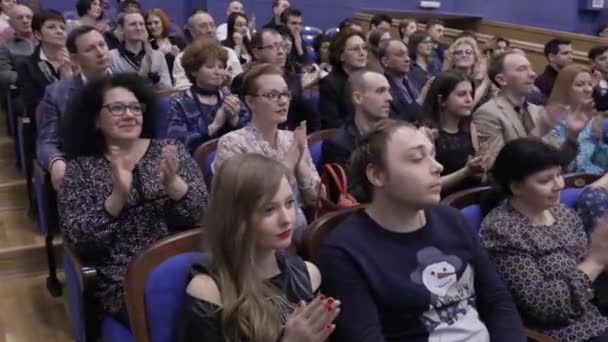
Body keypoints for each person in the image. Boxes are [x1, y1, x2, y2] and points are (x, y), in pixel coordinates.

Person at [319, 118, 526, 341]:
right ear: (377, 175)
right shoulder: (344, 250)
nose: (437, 167)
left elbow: (497, 301)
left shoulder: (453, 220)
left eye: (432, 154)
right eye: (417, 159)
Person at [58, 73, 208, 327]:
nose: (129, 114)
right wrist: (117, 198)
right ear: (95, 119)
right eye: (117, 108)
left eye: (135, 107)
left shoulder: (170, 150)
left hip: (188, 262)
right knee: (187, 319)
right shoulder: (81, 169)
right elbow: (80, 241)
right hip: (125, 278)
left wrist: (175, 187)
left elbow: (204, 215)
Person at [175, 153, 339, 341]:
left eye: (289, 203)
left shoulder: (308, 276)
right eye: (269, 210)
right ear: (237, 219)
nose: (287, 219)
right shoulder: (209, 291)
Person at [479, 137, 608, 342]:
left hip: (594, 314)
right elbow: (545, 306)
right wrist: (596, 262)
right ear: (516, 187)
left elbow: (584, 262)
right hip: (556, 333)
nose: (559, 185)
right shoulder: (501, 231)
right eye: (545, 180)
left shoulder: (562, 212)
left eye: (559, 175)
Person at [212, 64, 321, 231]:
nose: (283, 101)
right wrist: (288, 164)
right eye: (273, 95)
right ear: (250, 101)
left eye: (285, 94)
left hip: (300, 231)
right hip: (255, 238)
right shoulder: (232, 144)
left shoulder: (291, 139)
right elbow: (243, 208)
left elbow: (317, 199)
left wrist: (301, 166)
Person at [37, 26, 111, 191]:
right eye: (90, 49)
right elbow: (46, 142)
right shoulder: (57, 93)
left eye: (102, 44)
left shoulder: (131, 85)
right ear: (75, 59)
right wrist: (56, 162)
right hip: (82, 171)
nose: (100, 52)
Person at [473, 51, 582, 154]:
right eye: (522, 69)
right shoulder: (487, 114)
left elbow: (558, 158)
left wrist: (573, 134)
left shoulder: (538, 110)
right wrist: (539, 130)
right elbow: (499, 165)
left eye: (531, 68)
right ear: (501, 79)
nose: (533, 74)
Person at [167, 40, 249, 154]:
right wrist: (213, 127)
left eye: (221, 67)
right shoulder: (179, 102)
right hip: (197, 164)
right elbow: (177, 143)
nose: (218, 72)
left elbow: (253, 131)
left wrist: (235, 121)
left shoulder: (229, 98)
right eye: (210, 67)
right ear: (194, 71)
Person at [420, 70, 492, 196]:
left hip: (470, 196)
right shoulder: (426, 133)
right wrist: (466, 171)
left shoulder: (470, 127)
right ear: (442, 100)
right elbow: (428, 185)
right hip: (442, 202)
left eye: (471, 93)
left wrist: (483, 165)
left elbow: (478, 177)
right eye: (461, 94)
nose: (469, 99)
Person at [247, 27, 320, 132]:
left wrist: (308, 94)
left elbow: (314, 125)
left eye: (283, 46)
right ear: (256, 53)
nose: (281, 52)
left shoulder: (298, 80)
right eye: (273, 47)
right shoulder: (246, 81)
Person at [321, 69, 391, 172]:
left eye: (389, 91)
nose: (389, 97)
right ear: (358, 98)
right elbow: (351, 187)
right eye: (380, 91)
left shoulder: (395, 133)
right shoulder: (338, 145)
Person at [548, 64, 603, 174]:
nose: (588, 89)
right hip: (566, 182)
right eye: (580, 85)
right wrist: (573, 135)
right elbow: (564, 167)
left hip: (594, 177)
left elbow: (598, 160)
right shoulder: (551, 119)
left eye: (590, 84)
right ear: (565, 88)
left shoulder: (591, 117)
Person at [16, 9, 69, 118]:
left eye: (62, 28)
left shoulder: (76, 60)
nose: (59, 31)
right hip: (45, 124)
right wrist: (65, 81)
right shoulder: (26, 65)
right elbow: (32, 106)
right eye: (51, 27)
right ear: (38, 34)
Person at [172, 11, 242, 90]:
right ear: (191, 31)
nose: (209, 30)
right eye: (203, 26)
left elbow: (240, 82)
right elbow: (182, 88)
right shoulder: (182, 58)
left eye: (212, 25)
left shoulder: (229, 53)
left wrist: (230, 81)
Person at [108, 11, 172, 90]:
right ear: (121, 29)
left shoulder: (158, 56)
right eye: (133, 24)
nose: (139, 28)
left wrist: (154, 77)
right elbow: (113, 90)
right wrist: (140, 77)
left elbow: (168, 89)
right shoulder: (112, 57)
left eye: (141, 24)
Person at [319, 30, 367, 129]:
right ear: (341, 56)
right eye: (355, 49)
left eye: (364, 48)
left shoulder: (369, 79)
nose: (362, 53)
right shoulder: (329, 83)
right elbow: (331, 123)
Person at [379, 39, 426, 122]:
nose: (407, 59)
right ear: (385, 61)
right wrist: (420, 100)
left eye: (407, 54)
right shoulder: (382, 89)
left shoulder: (419, 78)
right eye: (400, 55)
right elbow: (394, 122)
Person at [443, 36, 493, 107]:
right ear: (452, 57)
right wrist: (485, 84)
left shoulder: (479, 80)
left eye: (468, 52)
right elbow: (467, 106)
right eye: (458, 52)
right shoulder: (446, 78)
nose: (464, 55)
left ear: (475, 57)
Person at [145, 8, 186, 83]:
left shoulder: (177, 40)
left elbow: (190, 64)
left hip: (180, 81)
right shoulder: (147, 45)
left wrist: (178, 57)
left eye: (156, 22)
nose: (153, 26)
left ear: (163, 23)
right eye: (149, 24)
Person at [0, 4, 35, 93]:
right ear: (10, 22)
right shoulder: (6, 47)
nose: (25, 20)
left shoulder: (46, 40)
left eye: (28, 17)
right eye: (19, 18)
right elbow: (3, 73)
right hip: (25, 91)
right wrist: (30, 79)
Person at [407, 30, 442, 95]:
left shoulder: (436, 63)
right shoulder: (409, 66)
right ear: (416, 45)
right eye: (425, 42)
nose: (429, 45)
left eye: (430, 42)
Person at [280, 7, 310, 74]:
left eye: (300, 24)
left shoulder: (299, 38)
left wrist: (299, 47)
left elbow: (308, 66)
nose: (297, 27)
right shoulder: (278, 41)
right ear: (283, 25)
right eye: (294, 23)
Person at [589, 45, 608, 112]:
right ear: (592, 62)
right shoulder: (586, 80)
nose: (607, 61)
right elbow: (600, 107)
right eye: (602, 59)